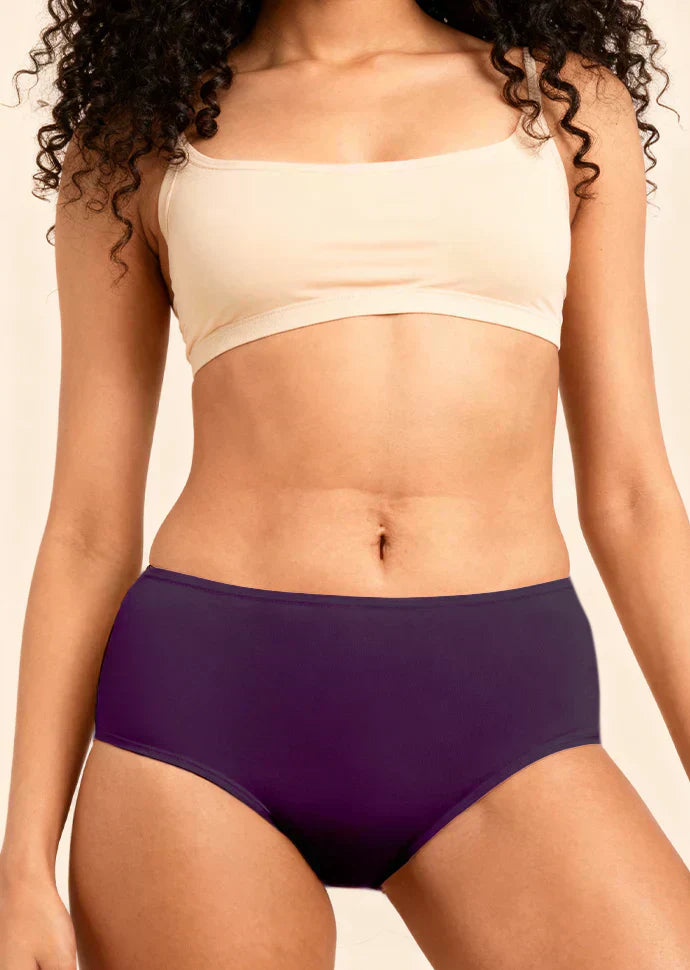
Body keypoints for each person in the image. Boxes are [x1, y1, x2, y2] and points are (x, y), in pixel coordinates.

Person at [2, 1, 690, 968]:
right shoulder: (138, 135)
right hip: (203, 716)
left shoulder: (567, 102)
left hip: (502, 707)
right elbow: (87, 525)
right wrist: (21, 865)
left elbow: (632, 496)